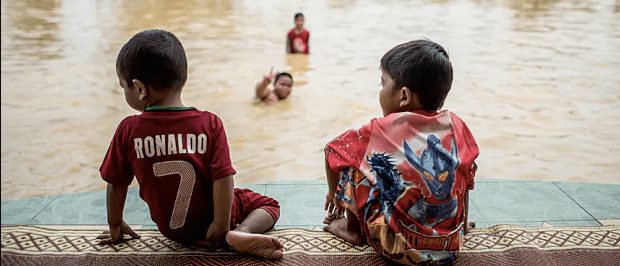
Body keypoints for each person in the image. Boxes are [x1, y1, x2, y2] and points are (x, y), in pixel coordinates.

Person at [96, 29, 284, 259]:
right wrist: (220, 225)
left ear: (139, 89)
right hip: (211, 223)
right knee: (269, 204)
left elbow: (115, 181)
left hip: (171, 230)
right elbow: (223, 178)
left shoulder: (128, 130)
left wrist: (115, 224)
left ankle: (236, 232)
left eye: (122, 86)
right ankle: (241, 232)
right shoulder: (210, 124)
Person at [322, 40, 479, 265]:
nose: (380, 90)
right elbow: (468, 174)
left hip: (394, 249)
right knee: (465, 163)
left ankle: (351, 230)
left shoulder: (377, 130)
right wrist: (461, 227)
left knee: (352, 158)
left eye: (382, 83)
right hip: (450, 248)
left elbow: (331, 150)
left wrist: (332, 194)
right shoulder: (456, 124)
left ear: (403, 96)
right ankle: (460, 227)